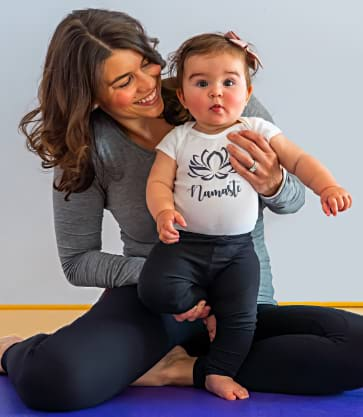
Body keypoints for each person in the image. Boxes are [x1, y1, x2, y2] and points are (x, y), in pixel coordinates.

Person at [0, 8, 361, 411]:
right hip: (156, 298)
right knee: (53, 381)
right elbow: (77, 260)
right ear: (90, 94)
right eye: (124, 81)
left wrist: (272, 184)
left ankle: (180, 370)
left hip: (241, 296)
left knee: (356, 348)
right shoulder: (88, 150)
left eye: (146, 65)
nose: (148, 84)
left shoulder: (217, 93)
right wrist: (175, 281)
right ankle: (14, 349)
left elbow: (293, 198)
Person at [137, 32, 352, 400]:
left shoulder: (256, 130)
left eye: (229, 82)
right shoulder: (179, 139)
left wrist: (327, 187)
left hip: (238, 252)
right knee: (154, 288)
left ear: (247, 95)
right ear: (184, 98)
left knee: (241, 318)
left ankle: (216, 371)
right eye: (202, 83)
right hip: (186, 246)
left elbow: (299, 160)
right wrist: (164, 212)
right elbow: (158, 182)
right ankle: (199, 309)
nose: (216, 92)